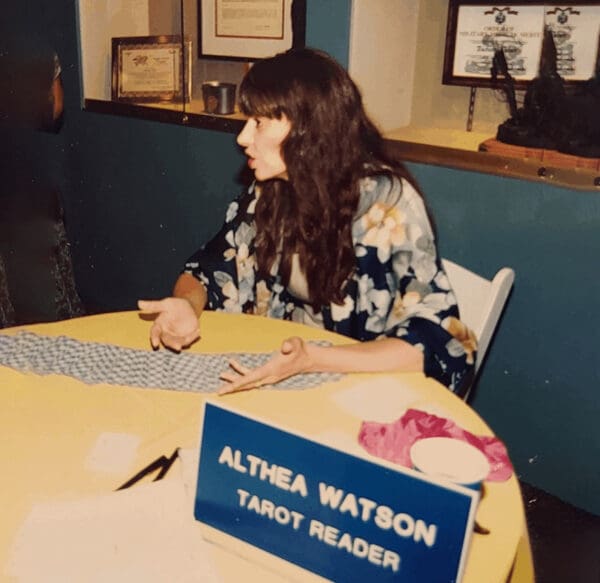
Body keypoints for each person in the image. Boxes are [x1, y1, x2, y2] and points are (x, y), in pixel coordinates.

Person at [138, 48, 477, 396]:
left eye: (258, 122)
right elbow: (210, 267)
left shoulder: (385, 204)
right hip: (291, 367)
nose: (242, 138)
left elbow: (438, 343)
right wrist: (187, 305)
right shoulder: (271, 190)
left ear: (306, 128)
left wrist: (312, 359)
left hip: (357, 386)